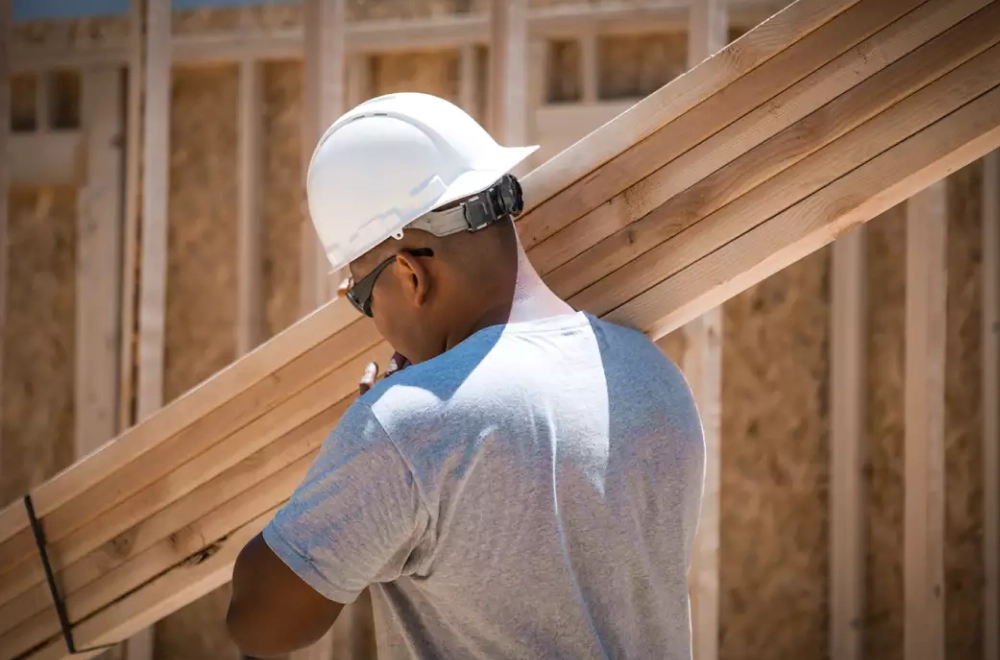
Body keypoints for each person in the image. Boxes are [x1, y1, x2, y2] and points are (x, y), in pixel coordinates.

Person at [226, 92, 705, 659]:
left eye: (361, 296)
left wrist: (369, 450)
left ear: (409, 275)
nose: (370, 319)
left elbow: (260, 624)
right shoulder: (655, 378)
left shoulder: (412, 424)